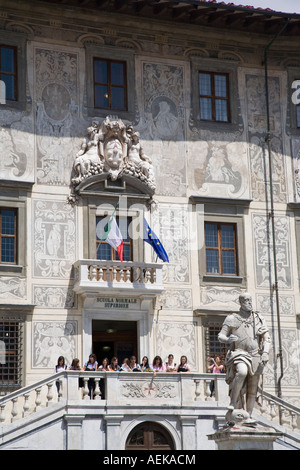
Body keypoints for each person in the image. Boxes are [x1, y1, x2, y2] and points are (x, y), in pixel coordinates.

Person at [218, 292, 271, 425]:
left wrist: (265, 352)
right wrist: (227, 339)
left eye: (250, 299)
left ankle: (249, 415)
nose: (249, 302)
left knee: (253, 388)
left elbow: (267, 338)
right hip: (239, 353)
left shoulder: (258, 318)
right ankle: (232, 402)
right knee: (241, 372)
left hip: (256, 355)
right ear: (241, 302)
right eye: (246, 300)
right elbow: (220, 336)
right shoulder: (232, 318)